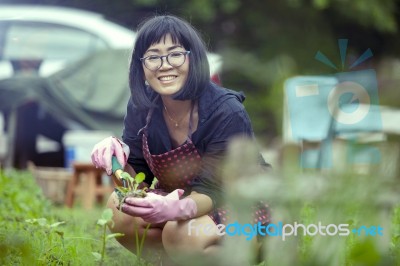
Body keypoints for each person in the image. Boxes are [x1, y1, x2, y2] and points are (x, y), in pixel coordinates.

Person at [91, 14, 270, 264]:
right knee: (117, 208)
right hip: (184, 203)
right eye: (153, 57)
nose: (164, 65)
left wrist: (176, 209)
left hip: (238, 205)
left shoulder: (226, 112)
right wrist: (115, 158)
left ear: (192, 58)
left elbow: (214, 189)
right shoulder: (142, 107)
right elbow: (138, 181)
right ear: (141, 66)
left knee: (181, 234)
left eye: (175, 54)